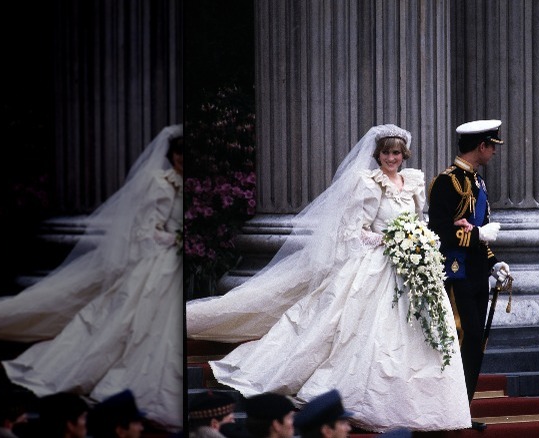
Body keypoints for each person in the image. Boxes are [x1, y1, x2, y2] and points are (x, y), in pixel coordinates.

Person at [187, 124, 471, 432]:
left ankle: (423, 405)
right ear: (378, 154)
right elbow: (355, 231)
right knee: (367, 334)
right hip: (378, 263)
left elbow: (419, 219)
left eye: (397, 153)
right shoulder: (368, 184)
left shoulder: (412, 182)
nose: (392, 158)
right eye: (387, 152)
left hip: (412, 265)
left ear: (405, 155)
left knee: (418, 334)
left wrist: (418, 237)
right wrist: (390, 239)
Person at [0, 125, 184, 431]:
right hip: (162, 258)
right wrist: (175, 240)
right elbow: (144, 230)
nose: (183, 160)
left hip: (174, 262)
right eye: (179, 155)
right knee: (126, 318)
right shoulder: (160, 182)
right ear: (172, 155)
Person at [427, 119, 510, 430]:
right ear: (482, 146)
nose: (493, 153)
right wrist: (477, 235)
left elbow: (479, 233)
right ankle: (450, 410)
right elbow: (441, 234)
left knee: (477, 343)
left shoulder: (478, 182)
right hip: (455, 274)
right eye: (492, 147)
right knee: (466, 338)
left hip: (476, 275)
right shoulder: (446, 183)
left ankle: (462, 409)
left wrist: (494, 263)